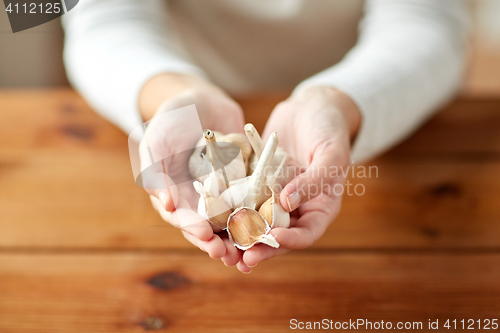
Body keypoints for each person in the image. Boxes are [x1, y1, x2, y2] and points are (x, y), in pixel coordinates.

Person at [62, 0, 469, 273]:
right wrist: (173, 94)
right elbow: (102, 17)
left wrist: (337, 103)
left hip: (374, 95)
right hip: (181, 67)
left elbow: (428, 23)